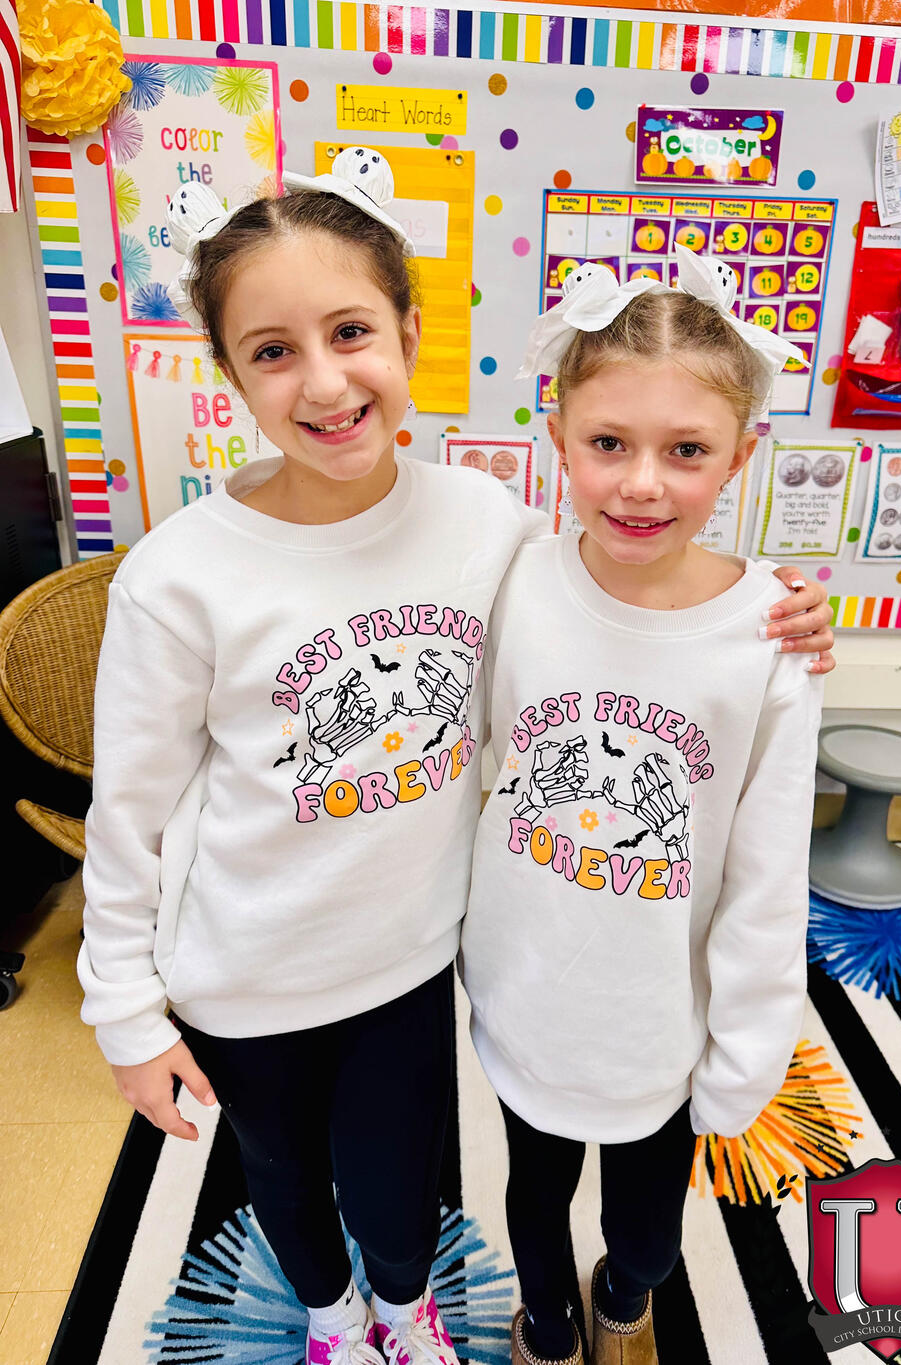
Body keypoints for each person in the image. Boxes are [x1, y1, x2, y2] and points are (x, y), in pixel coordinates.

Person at [78, 152, 833, 1365]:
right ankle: (329, 1320)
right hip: (244, 975)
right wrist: (124, 1009)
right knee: (283, 1181)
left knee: (401, 1190)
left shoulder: (489, 526)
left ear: (410, 336)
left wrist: (784, 610)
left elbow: (625, 589)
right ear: (229, 372)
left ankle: (402, 1310)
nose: (326, 381)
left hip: (410, 966)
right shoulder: (177, 577)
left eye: (350, 331)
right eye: (272, 350)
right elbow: (129, 813)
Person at [460, 252, 826, 1365]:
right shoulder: (513, 579)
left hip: (662, 1021)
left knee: (647, 1233)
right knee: (533, 1194)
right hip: (528, 993)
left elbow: (769, 870)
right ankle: (547, 1318)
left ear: (740, 455)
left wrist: (746, 1049)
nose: (641, 485)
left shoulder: (770, 635)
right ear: (558, 437)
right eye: (609, 443)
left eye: (687, 451)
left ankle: (623, 1298)